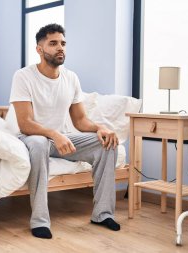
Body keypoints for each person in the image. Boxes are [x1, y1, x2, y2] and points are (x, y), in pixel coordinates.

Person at [9, 24, 120, 239]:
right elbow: (25, 123)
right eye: (53, 43)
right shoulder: (23, 76)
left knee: (106, 144)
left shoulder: (71, 78)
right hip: (30, 138)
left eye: (63, 43)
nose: (60, 48)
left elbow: (80, 120)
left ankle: (102, 214)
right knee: (40, 143)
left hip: (59, 138)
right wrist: (55, 134)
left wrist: (101, 128)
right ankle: (40, 220)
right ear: (39, 49)